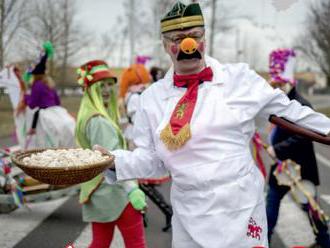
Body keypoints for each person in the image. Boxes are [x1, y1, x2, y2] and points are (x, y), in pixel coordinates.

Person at [99, 2, 330, 247]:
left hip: (241, 210)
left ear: (204, 40)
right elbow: (154, 162)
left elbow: (293, 113)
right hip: (189, 216)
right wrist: (114, 161)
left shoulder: (239, 79)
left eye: (195, 36)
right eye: (178, 38)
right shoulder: (150, 100)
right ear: (166, 46)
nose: (188, 45)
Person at [75, 60, 147, 248]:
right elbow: (112, 161)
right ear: (90, 89)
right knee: (136, 245)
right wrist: (132, 189)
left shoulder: (89, 117)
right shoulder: (99, 122)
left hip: (98, 193)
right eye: (101, 85)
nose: (107, 90)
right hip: (117, 193)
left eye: (109, 84)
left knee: (100, 244)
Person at [266, 48, 330, 248]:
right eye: (273, 83)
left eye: (278, 83)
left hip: (301, 169)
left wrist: (278, 149)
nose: (275, 87)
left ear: (288, 82)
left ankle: (325, 242)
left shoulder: (302, 104)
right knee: (269, 209)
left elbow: (304, 136)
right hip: (281, 170)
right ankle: (263, 242)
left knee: (311, 208)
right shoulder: (276, 103)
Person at [119, 63, 173, 231]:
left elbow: (138, 122)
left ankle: (163, 212)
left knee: (140, 182)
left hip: (137, 141)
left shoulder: (134, 95)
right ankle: (146, 216)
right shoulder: (142, 92)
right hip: (137, 139)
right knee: (138, 182)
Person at [18, 41, 75, 148]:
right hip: (58, 112)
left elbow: (32, 104)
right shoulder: (49, 83)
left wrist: (25, 97)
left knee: (44, 140)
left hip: (45, 114)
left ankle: (33, 131)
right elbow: (58, 101)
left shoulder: (36, 84)